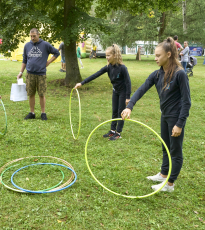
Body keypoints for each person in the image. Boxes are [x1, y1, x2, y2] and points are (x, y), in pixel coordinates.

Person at [121, 37, 191, 192]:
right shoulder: (158, 74)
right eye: (155, 55)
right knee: (165, 146)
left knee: (175, 150)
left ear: (168, 55)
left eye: (158, 55)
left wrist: (179, 124)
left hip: (175, 118)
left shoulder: (180, 74)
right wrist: (129, 107)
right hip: (165, 115)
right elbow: (141, 89)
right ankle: (164, 174)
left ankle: (170, 184)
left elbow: (187, 102)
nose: (155, 58)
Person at [74, 44, 131, 140]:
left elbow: (128, 82)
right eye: (106, 55)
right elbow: (95, 75)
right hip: (115, 91)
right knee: (114, 111)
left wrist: (128, 97)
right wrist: (82, 83)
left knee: (121, 112)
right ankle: (112, 130)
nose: (107, 57)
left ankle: (118, 133)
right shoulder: (108, 67)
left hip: (123, 92)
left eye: (108, 55)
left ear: (114, 55)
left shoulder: (122, 68)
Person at [17, 28, 60, 121]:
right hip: (30, 74)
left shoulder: (45, 45)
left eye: (34, 36)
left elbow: (57, 53)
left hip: (41, 74)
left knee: (41, 94)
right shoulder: (27, 45)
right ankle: (32, 113)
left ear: (38, 35)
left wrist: (48, 62)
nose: (32, 38)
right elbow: (24, 60)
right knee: (31, 94)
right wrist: (21, 72)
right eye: (31, 36)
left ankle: (43, 113)